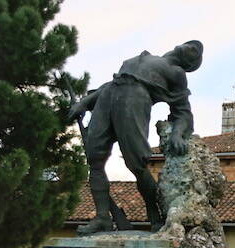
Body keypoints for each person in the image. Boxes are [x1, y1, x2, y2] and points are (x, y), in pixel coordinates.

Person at [68, 40, 203, 234]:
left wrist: (177, 134)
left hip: (135, 98)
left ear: (190, 65)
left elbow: (183, 112)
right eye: (191, 45)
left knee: (137, 164)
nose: (192, 47)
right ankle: (102, 218)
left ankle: (155, 215)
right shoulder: (149, 57)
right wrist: (85, 102)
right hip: (109, 95)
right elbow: (111, 83)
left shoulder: (177, 73)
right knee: (95, 161)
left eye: (195, 51)